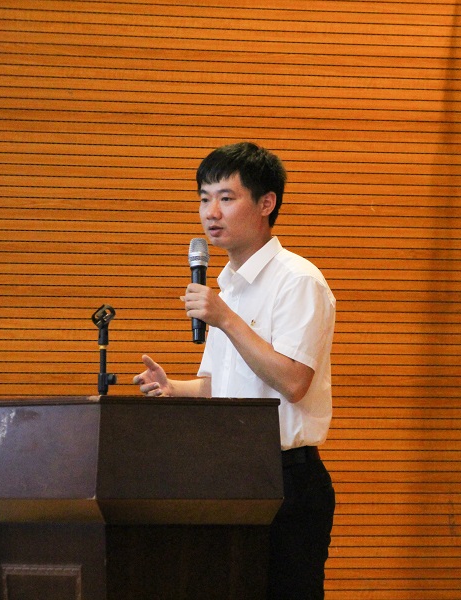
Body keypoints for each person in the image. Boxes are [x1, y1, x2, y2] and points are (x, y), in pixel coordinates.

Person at [133, 142, 337, 599]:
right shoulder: (227, 288)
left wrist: (225, 319)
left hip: (285, 480)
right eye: (204, 199)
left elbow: (293, 382)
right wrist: (174, 388)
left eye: (226, 198)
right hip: (228, 477)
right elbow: (218, 387)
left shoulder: (297, 280)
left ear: (266, 203)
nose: (211, 213)